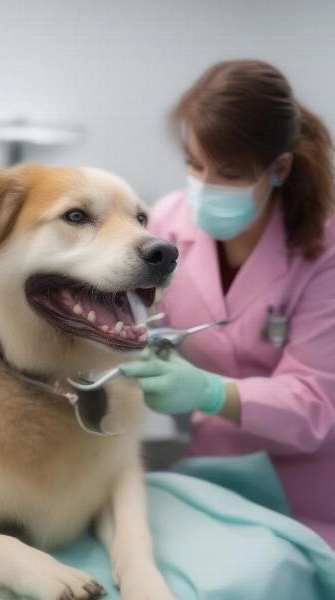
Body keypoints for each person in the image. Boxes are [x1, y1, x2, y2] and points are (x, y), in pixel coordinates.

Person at [120, 60, 335, 547]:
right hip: (215, 470)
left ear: (278, 169)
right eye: (195, 164)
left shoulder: (324, 250)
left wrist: (208, 392)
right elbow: (138, 311)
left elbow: (316, 403)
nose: (205, 185)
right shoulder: (171, 220)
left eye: (230, 172)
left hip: (310, 491)